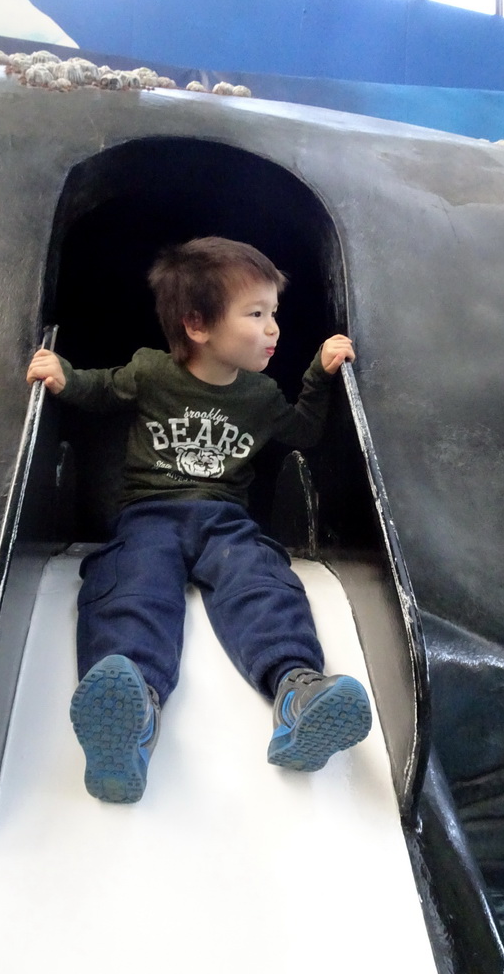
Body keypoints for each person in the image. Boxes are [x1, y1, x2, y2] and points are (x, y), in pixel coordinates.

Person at [26, 236, 372, 804]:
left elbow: (301, 432)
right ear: (198, 325)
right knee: (132, 587)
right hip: (148, 515)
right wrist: (62, 373)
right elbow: (99, 389)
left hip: (224, 521)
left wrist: (318, 374)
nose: (273, 329)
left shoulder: (260, 395)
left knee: (260, 581)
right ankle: (130, 711)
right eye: (256, 314)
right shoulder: (151, 373)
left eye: (274, 314)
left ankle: (298, 691)